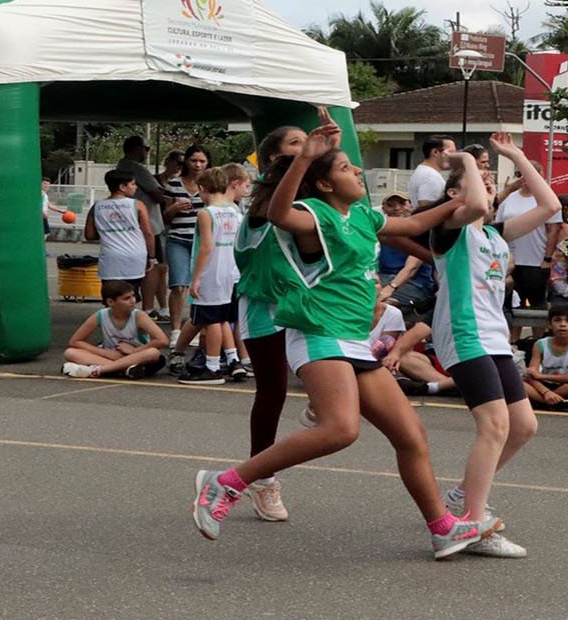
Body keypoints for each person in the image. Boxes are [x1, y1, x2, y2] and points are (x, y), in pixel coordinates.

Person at [192, 120, 487, 559]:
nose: (356, 174)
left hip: (351, 338)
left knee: (411, 434)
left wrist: (456, 202)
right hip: (317, 332)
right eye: (347, 168)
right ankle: (227, 482)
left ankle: (443, 527)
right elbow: (276, 212)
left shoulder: (364, 217)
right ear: (327, 183)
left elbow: (413, 226)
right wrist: (307, 156)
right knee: (340, 429)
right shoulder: (315, 215)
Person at [420, 131, 555, 558]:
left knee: (524, 426)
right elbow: (474, 204)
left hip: (493, 335)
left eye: (491, 179)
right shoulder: (448, 231)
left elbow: (550, 206)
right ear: (454, 194)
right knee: (494, 426)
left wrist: (516, 154)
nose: (488, 184)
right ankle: (472, 525)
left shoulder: (495, 235)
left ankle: (463, 496)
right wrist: (464, 161)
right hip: (464, 332)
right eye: (480, 178)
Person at [229, 126, 307, 522]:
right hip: (264, 308)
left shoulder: (307, 207)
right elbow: (272, 206)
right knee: (273, 391)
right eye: (296, 143)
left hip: (301, 306)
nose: (305, 146)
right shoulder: (261, 212)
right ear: (276, 160)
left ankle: (323, 406)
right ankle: (262, 480)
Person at [179, 167, 242, 385]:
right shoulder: (234, 210)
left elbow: (206, 246)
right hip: (229, 270)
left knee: (211, 320)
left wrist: (196, 277)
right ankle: (233, 358)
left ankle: (211, 365)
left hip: (210, 271)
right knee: (223, 317)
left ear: (202, 188)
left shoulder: (206, 213)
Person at [61, 280, 169, 378]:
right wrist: (105, 353)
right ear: (111, 302)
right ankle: (123, 369)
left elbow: (162, 340)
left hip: (137, 357)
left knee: (153, 353)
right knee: (70, 352)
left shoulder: (139, 316)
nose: (133, 301)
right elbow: (75, 341)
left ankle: (99, 369)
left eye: (133, 296)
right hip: (111, 356)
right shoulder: (100, 315)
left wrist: (133, 351)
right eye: (126, 298)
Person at [494, 161, 563, 311]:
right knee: (512, 304)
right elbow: (498, 226)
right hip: (510, 261)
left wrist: (548, 258)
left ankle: (538, 335)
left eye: (529, 175)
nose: (523, 179)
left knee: (537, 305)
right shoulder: (509, 198)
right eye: (519, 175)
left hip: (535, 260)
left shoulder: (548, 199)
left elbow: (553, 230)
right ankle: (515, 335)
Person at [117, 135, 171, 322]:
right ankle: (148, 309)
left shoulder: (121, 166)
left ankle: (156, 307)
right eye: (145, 149)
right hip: (149, 224)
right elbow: (157, 194)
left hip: (127, 230)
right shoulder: (136, 169)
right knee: (153, 267)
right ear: (137, 149)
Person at [83, 170, 154, 302]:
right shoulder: (137, 205)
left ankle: (110, 321)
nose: (135, 187)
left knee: (112, 298)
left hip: (110, 259)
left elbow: (89, 235)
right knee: (130, 297)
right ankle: (129, 320)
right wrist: (151, 256)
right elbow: (148, 233)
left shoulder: (97, 207)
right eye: (132, 184)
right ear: (122, 187)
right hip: (135, 257)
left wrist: (108, 233)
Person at [163, 145, 211, 335]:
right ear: (186, 162)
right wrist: (175, 208)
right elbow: (165, 216)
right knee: (178, 284)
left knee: (201, 285)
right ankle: (176, 330)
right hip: (178, 239)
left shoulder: (213, 184)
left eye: (202, 161)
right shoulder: (174, 184)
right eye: (194, 161)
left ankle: (196, 328)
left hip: (203, 240)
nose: (198, 165)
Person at [521, 303, 568, 412]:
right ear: (549, 324)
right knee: (519, 383)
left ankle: (544, 402)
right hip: (545, 386)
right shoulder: (540, 344)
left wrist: (542, 376)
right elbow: (532, 374)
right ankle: (554, 402)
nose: (563, 324)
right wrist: (546, 392)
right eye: (557, 320)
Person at [378, 193, 437, 316]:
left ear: (410, 205)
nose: (397, 208)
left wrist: (390, 288)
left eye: (402, 203)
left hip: (415, 284)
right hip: (383, 279)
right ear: (383, 209)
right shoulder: (380, 233)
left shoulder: (419, 232)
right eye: (390, 205)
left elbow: (411, 268)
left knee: (373, 303)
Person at [410, 136, 456, 209]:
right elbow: (426, 210)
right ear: (435, 152)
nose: (454, 156)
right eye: (451, 152)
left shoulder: (424, 171)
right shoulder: (431, 176)